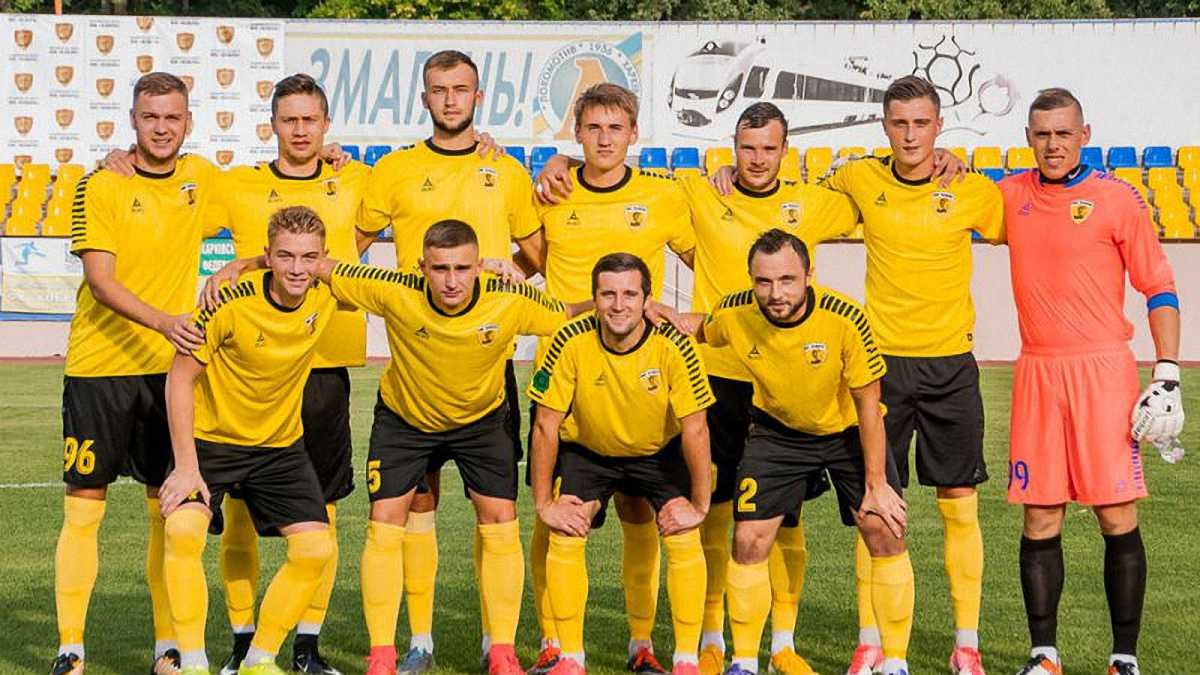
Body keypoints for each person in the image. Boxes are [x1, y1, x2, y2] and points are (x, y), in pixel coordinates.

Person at [322, 220, 588, 675]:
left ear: (479, 266)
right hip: (406, 419)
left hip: (482, 422)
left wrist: (641, 306)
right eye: (440, 268)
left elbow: (567, 313)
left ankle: (502, 653)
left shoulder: (509, 297)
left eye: (462, 268)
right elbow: (318, 266)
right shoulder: (393, 288)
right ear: (421, 267)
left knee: (500, 520)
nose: (451, 280)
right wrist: (243, 265)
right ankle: (382, 657)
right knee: (385, 522)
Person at [354, 51, 537, 672]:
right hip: (415, 366)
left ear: (478, 98)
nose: (450, 99)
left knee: (496, 513)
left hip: (485, 370)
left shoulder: (505, 169)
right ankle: (419, 642)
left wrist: (509, 274)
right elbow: (345, 247)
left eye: (461, 89)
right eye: (439, 89)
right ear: (424, 97)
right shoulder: (394, 169)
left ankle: (496, 643)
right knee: (414, 508)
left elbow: (538, 253)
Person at [817, 76, 1004, 675]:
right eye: (899, 123)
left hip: (952, 365)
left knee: (959, 505)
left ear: (939, 126)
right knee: (876, 505)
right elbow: (791, 194)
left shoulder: (971, 190)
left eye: (921, 123)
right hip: (881, 368)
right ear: (884, 126)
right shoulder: (860, 177)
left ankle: (966, 644)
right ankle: (870, 640)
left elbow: (1026, 219)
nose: (910, 134)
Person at [999, 88, 1182, 675]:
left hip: (1103, 373)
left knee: (1116, 515)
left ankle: (1123, 659)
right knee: (1039, 516)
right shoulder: (1009, 195)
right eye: (1042, 134)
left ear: (1085, 135)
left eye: (1063, 133)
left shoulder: (1117, 198)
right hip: (1037, 371)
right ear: (1028, 139)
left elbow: (1158, 286)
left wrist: (1168, 371)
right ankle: (1044, 656)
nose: (1052, 145)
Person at [516, 83, 697, 675]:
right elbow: (527, 262)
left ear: (634, 134)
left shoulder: (663, 197)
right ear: (576, 133)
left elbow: (711, 256)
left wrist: (695, 320)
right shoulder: (550, 194)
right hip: (564, 372)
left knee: (640, 513)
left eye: (615, 128)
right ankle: (553, 640)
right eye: (592, 128)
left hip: (643, 373)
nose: (603, 139)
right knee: (557, 512)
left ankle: (641, 643)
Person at [677, 101, 857, 675]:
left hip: (785, 382)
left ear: (786, 150)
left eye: (768, 148)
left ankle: (783, 643)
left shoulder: (814, 202)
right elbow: (618, 181)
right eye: (747, 147)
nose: (756, 159)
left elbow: (881, 193)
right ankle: (712, 638)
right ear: (732, 147)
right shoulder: (700, 191)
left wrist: (946, 161)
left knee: (786, 520)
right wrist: (559, 162)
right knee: (715, 511)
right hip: (717, 377)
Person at [52, 71, 220, 675]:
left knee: (167, 511)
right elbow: (101, 280)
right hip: (99, 366)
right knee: (84, 506)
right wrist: (167, 322)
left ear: (188, 122)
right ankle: (71, 649)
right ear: (133, 120)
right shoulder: (101, 184)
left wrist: (330, 153)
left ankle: (167, 649)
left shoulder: (203, 178)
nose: (162, 128)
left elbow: (270, 198)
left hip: (168, 375)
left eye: (172, 117)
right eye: (151, 117)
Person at [687, 229, 911, 675]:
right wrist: (662, 314)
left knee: (884, 529)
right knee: (748, 539)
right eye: (764, 281)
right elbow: (702, 329)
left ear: (809, 275)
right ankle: (744, 662)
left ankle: (895, 662)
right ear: (752, 280)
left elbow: (869, 404)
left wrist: (877, 484)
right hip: (777, 434)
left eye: (787, 280)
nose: (776, 293)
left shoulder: (845, 318)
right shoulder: (735, 313)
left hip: (846, 431)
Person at [206, 72, 369, 675]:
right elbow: (171, 205)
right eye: (289, 119)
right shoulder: (237, 185)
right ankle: (243, 640)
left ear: (327, 125)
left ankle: (306, 644)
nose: (300, 130)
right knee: (239, 512)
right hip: (246, 372)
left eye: (310, 120)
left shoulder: (357, 179)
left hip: (323, 365)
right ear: (272, 124)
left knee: (323, 511)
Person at [158, 205, 340, 675]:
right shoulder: (226, 302)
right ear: (269, 256)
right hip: (210, 443)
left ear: (322, 258)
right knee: (182, 532)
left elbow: (400, 282)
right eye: (285, 256)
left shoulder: (328, 294)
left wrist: (491, 266)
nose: (297, 268)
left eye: (308, 257)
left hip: (279, 447)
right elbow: (179, 379)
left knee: (316, 550)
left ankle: (260, 659)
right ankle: (193, 663)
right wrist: (186, 466)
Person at [529, 252, 715, 675]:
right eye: (607, 294)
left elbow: (696, 429)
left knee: (681, 530)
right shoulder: (569, 338)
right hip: (589, 451)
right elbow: (545, 425)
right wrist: (544, 504)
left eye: (630, 294)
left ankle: (680, 658)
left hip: (657, 451)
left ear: (647, 300)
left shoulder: (675, 344)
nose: (618, 305)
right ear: (594, 298)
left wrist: (699, 506)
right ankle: (571, 658)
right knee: (565, 526)